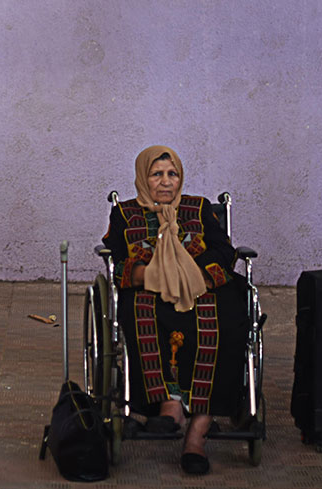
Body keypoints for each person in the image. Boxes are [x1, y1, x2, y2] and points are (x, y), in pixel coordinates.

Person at [101, 145, 248, 475]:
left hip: (202, 288)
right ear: (143, 178)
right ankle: (168, 406)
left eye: (173, 174)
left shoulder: (198, 209)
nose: (166, 182)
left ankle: (197, 432)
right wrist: (143, 274)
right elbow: (114, 258)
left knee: (224, 322)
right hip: (149, 289)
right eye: (157, 174)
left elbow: (224, 252)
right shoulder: (124, 214)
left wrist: (195, 278)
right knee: (141, 312)